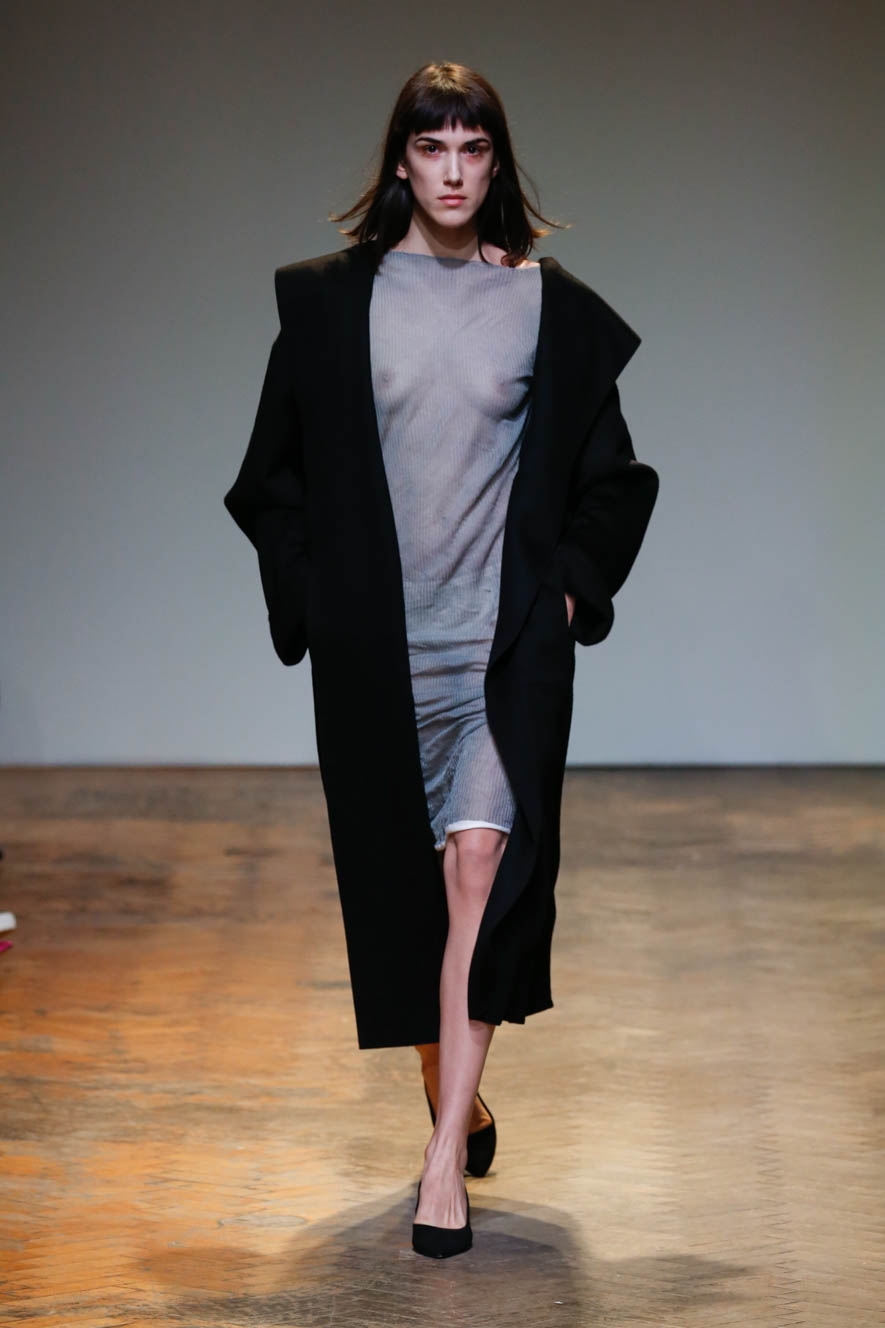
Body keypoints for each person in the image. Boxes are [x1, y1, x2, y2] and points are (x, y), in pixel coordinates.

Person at [224, 61, 659, 1260]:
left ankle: (438, 1168)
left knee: (478, 866)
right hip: (378, 656)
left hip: (497, 652)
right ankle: (451, 1088)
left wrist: (567, 592)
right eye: (433, 149)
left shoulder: (546, 309)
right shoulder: (334, 306)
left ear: (496, 163)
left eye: (474, 149)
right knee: (408, 900)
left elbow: (614, 478)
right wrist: (318, 598)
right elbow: (271, 479)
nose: (454, 172)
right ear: (401, 164)